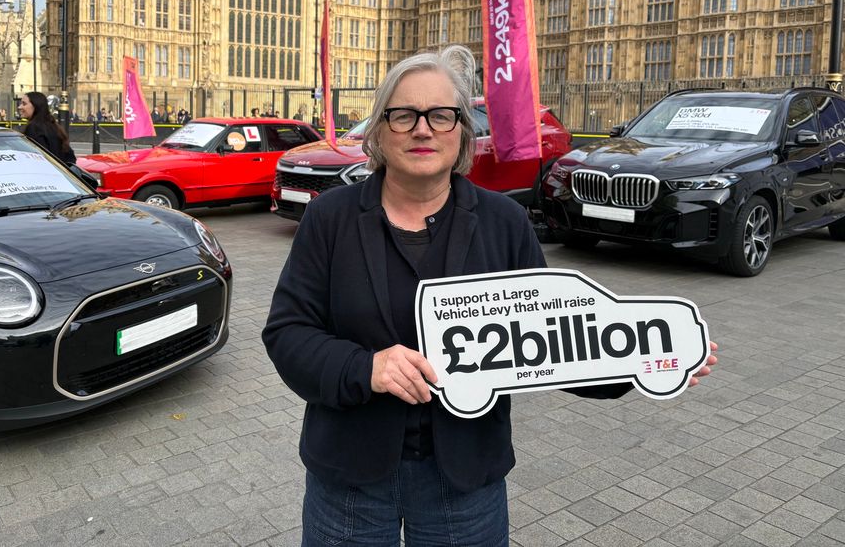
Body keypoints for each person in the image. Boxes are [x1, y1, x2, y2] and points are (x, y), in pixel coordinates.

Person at [263, 45, 717, 546]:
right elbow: (288, 333)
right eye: (403, 115)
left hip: (464, 481)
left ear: (461, 130)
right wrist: (365, 368)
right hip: (349, 475)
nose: (422, 128)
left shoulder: (503, 223)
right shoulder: (331, 218)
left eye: (441, 115)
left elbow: (560, 342)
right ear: (379, 130)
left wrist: (648, 359)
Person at [18, 91, 77, 165]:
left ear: (36, 106)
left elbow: (36, 159)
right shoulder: (54, 126)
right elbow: (70, 157)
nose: (19, 107)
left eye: (24, 104)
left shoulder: (33, 128)